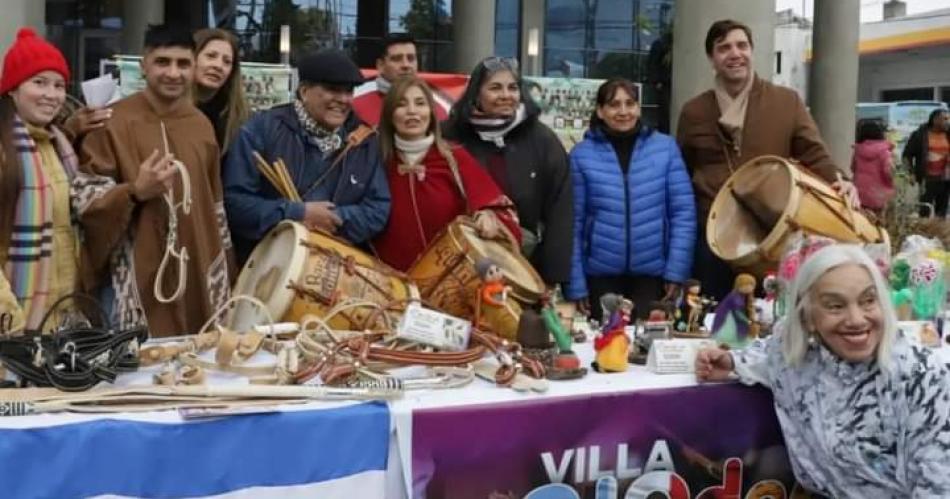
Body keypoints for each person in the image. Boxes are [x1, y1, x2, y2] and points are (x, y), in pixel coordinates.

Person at [695, 244, 950, 497]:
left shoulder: (923, 377)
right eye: (835, 306)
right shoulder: (795, 359)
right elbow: (769, 352)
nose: (856, 319)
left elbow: (939, 485)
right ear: (807, 318)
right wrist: (731, 362)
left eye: (868, 301)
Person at [72, 25, 233, 337]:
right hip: (134, 273)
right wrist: (134, 192)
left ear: (193, 68)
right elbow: (82, 198)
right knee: (137, 361)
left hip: (195, 265)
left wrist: (224, 265)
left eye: (183, 64)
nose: (173, 73)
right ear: (144, 65)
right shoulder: (112, 120)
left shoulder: (201, 126)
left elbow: (215, 207)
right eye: (162, 62)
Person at [677, 19, 855, 300]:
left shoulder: (786, 102)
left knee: (770, 315)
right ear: (711, 58)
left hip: (773, 237)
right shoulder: (694, 112)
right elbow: (683, 176)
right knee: (714, 319)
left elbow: (814, 154)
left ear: (752, 51)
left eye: (742, 45)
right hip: (713, 241)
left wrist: (839, 180)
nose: (735, 54)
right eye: (724, 48)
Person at [224, 49, 390, 262]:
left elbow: (378, 208)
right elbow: (235, 202)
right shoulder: (261, 130)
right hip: (269, 265)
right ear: (304, 92)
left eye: (348, 91)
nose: (343, 99)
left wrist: (334, 218)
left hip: (335, 267)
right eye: (332, 89)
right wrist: (297, 213)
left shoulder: (364, 140)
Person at [565, 77, 695, 321]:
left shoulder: (666, 149)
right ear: (600, 111)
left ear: (638, 108)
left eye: (630, 103)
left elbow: (683, 214)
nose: (623, 111)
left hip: (653, 277)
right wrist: (576, 283)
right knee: (606, 342)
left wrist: (676, 271)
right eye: (614, 104)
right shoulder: (581, 156)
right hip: (601, 278)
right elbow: (573, 222)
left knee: (649, 341)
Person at [443, 56, 573, 287]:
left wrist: (552, 277)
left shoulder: (541, 139)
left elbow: (561, 211)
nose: (506, 95)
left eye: (512, 88)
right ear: (476, 93)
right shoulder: (450, 136)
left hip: (525, 269)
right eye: (495, 88)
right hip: (460, 263)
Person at [372, 76, 520, 271]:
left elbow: (499, 208)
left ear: (431, 112)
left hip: (450, 279)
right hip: (388, 281)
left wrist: (488, 217)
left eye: (420, 103)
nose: (412, 111)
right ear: (390, 114)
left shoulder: (454, 158)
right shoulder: (375, 161)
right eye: (401, 104)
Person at [0, 28, 83, 331]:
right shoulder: (5, 148)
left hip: (61, 317)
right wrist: (9, 317)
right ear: (12, 89)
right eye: (39, 82)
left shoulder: (60, 145)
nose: (52, 94)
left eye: (59, 85)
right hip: (14, 318)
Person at [352, 33, 450, 126]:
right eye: (397, 59)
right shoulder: (355, 107)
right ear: (380, 65)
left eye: (411, 58)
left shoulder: (436, 109)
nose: (406, 65)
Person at [193, 28, 249, 152]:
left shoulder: (240, 119)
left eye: (227, 62)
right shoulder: (172, 109)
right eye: (211, 56)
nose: (218, 66)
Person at [903, 108, 949, 217]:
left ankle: (939, 227)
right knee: (924, 209)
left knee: (942, 210)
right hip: (927, 178)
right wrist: (911, 173)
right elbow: (907, 155)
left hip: (945, 178)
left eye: (948, 119)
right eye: (944, 119)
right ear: (935, 120)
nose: (947, 122)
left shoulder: (948, 134)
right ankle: (924, 227)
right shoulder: (920, 135)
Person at [851, 119, 894, 216]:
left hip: (860, 193)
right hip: (879, 194)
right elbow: (888, 173)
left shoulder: (858, 151)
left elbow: (852, 168)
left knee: (862, 218)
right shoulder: (884, 152)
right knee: (878, 221)